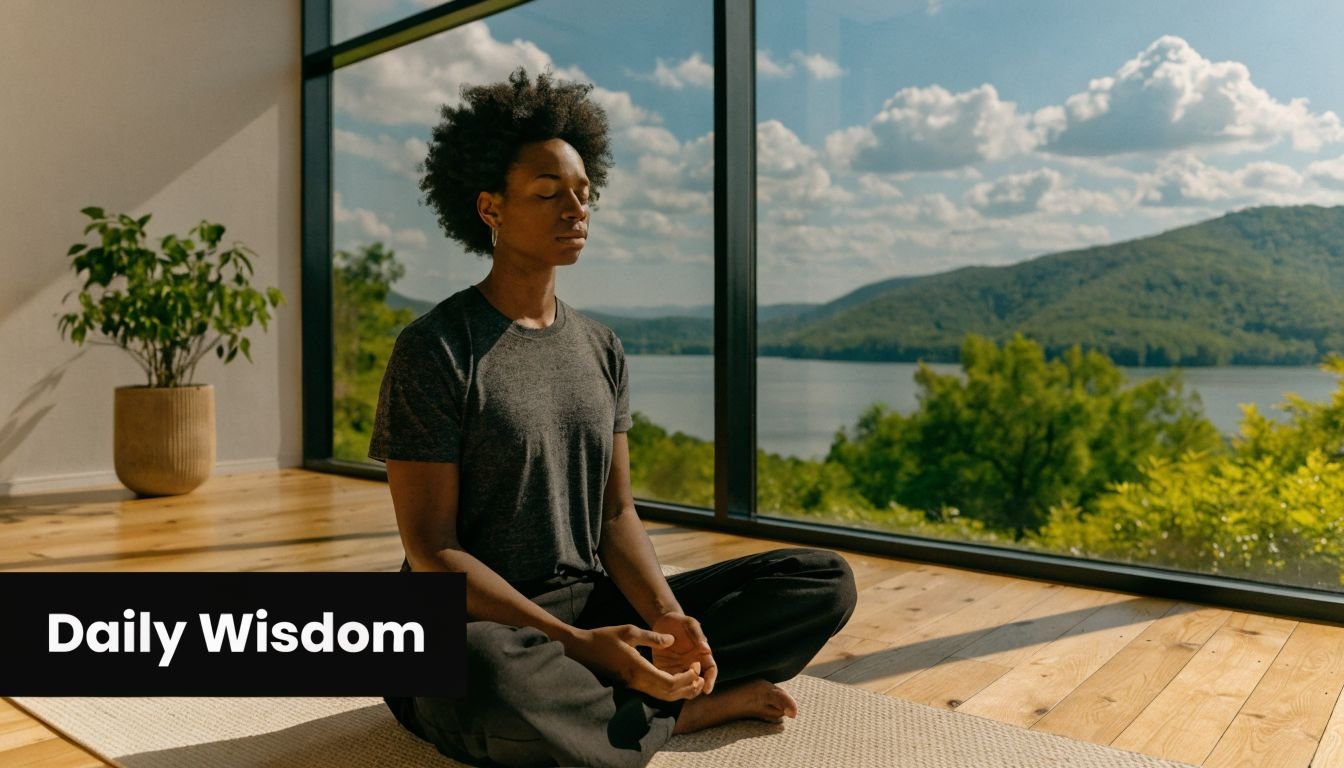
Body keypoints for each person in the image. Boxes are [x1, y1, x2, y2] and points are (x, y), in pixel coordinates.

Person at [368, 68, 856, 768]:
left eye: (582, 194)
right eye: (548, 194)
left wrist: (663, 619)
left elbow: (615, 514)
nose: (576, 209)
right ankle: (680, 713)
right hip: (475, 623)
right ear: (489, 208)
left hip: (590, 601)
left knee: (821, 581)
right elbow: (432, 552)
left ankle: (621, 702)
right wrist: (575, 646)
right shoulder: (436, 348)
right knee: (491, 675)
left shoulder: (601, 346)